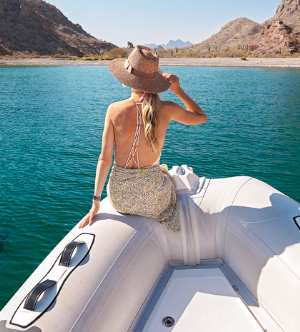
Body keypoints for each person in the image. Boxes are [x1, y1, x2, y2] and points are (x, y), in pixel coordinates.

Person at [78, 45, 207, 232]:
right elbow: (201, 117)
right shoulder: (168, 109)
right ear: (154, 81)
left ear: (126, 79)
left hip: (120, 199)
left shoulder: (114, 110)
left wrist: (96, 202)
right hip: (154, 199)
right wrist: (178, 91)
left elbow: (104, 160)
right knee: (169, 177)